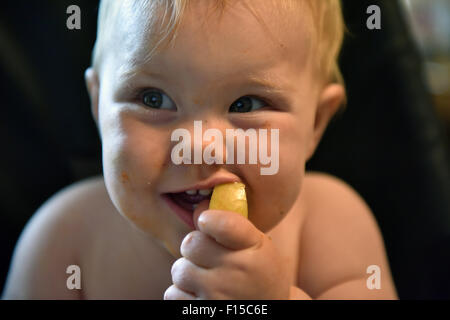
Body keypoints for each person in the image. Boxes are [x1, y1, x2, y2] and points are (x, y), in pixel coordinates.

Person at [2, 0, 397, 299]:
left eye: (246, 104)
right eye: (153, 99)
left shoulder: (331, 226)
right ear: (97, 104)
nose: (199, 148)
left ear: (315, 123)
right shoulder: (63, 241)